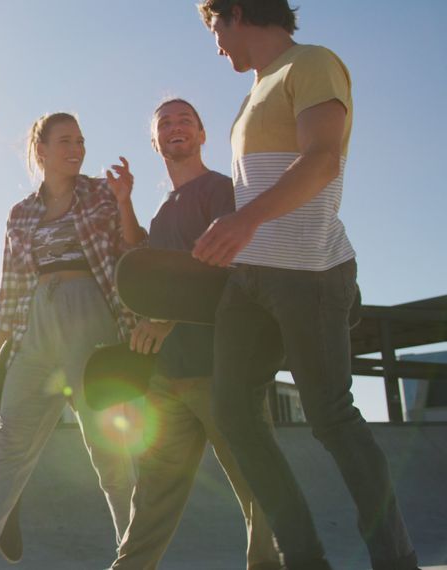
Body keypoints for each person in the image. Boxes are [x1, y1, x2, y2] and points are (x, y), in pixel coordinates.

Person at [192, 2, 419, 569]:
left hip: (310, 274)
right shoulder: (251, 95)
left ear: (236, 13)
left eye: (214, 27)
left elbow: (321, 161)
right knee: (233, 411)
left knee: (331, 416)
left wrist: (245, 221)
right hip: (251, 280)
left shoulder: (310, 64)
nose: (215, 44)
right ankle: (304, 559)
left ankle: (396, 560)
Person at [0, 112, 146, 570]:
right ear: (41, 150)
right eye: (64, 141)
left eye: (80, 140)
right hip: (35, 330)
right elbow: (11, 287)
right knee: (8, 446)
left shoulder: (101, 193)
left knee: (108, 451)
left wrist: (126, 202)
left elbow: (133, 250)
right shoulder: (21, 213)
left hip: (91, 323)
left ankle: (136, 559)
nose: (76, 148)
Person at [110, 98, 281, 570]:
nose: (175, 126)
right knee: (150, 505)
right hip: (170, 381)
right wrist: (125, 202)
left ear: (203, 135)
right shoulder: (166, 212)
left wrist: (167, 317)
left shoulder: (221, 192)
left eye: (185, 119)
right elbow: (141, 258)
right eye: (165, 122)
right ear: (155, 142)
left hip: (222, 371)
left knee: (260, 490)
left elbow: (231, 270)